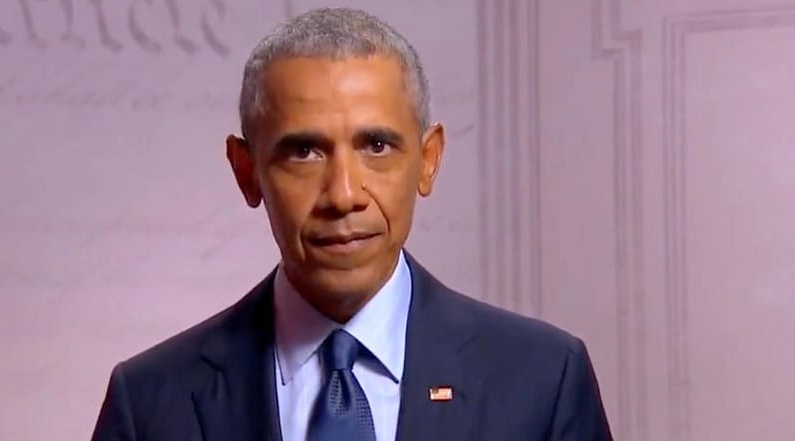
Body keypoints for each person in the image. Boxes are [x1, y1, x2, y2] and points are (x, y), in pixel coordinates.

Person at [91, 6, 613, 441]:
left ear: (428, 159)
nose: (343, 195)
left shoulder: (544, 382)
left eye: (377, 146)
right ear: (246, 172)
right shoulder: (150, 404)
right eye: (303, 152)